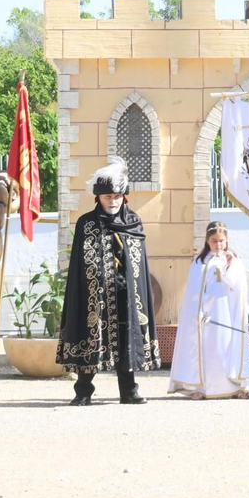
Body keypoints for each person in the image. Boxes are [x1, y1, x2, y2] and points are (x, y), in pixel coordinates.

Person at [56, 159, 159, 405]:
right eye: (107, 197)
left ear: (124, 197)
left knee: (127, 338)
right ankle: (83, 392)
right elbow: (81, 266)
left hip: (126, 292)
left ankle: (129, 391)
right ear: (97, 198)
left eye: (116, 196)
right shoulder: (86, 223)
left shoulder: (134, 222)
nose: (112, 201)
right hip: (94, 293)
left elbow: (139, 265)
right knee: (91, 336)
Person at [168, 220, 249, 400]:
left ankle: (234, 386)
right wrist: (196, 312)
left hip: (226, 313)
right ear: (207, 241)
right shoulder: (199, 262)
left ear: (227, 240)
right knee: (204, 351)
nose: (218, 245)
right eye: (214, 241)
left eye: (221, 241)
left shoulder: (233, 261)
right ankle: (200, 388)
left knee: (225, 348)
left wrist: (229, 265)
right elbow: (193, 292)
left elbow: (236, 286)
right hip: (204, 317)